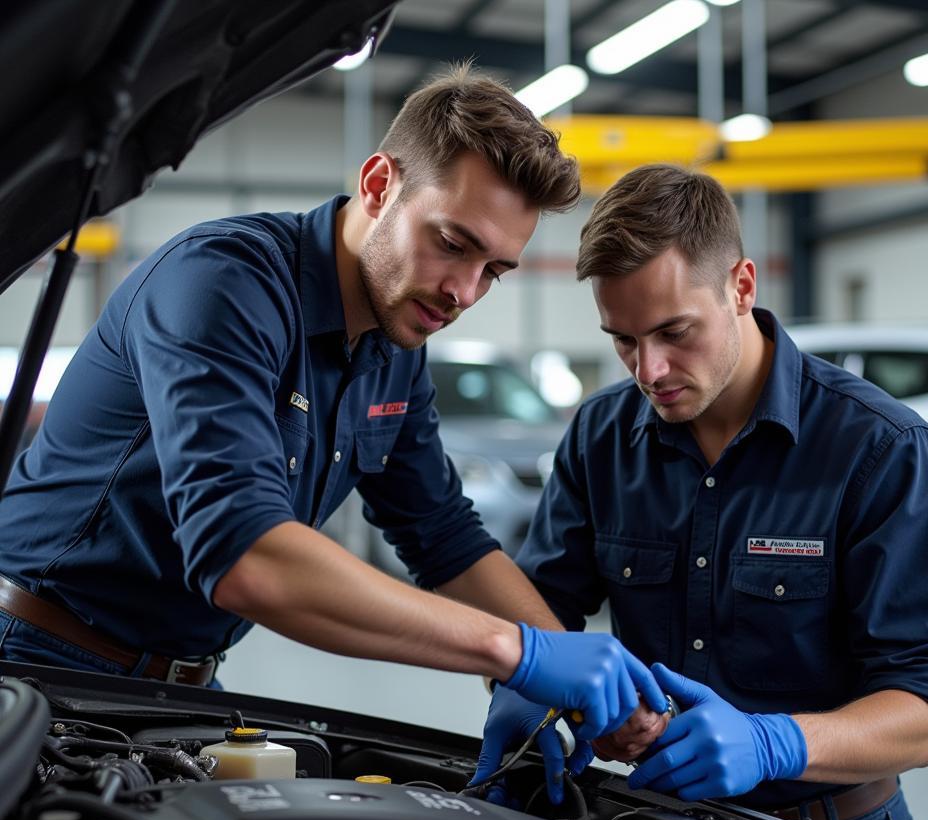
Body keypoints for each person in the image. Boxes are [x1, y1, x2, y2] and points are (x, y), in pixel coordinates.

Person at [0, 67, 667, 763]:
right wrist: (516, 652)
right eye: (453, 243)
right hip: (37, 663)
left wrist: (580, 673)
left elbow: (442, 534)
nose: (464, 293)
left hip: (186, 688)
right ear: (379, 185)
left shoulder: (395, 343)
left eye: (494, 270)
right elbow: (247, 557)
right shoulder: (224, 284)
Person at [478, 164, 928, 820]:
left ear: (742, 286)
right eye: (623, 340)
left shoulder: (879, 448)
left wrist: (775, 744)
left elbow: (923, 714)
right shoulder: (600, 437)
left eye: (674, 332)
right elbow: (541, 613)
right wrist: (530, 689)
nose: (648, 370)